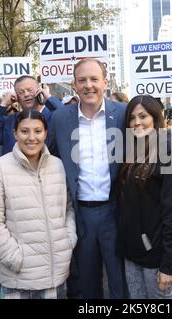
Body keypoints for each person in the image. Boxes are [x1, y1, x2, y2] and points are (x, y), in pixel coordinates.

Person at [49, 58, 127, 298]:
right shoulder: (60, 118)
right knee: (87, 283)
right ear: (74, 85)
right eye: (82, 80)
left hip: (115, 211)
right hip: (80, 215)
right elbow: (50, 156)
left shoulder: (124, 114)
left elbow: (149, 148)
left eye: (94, 79)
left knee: (119, 281)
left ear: (105, 83)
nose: (88, 85)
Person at [0, 109, 77, 299]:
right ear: (15, 133)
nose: (31, 137)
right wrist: (15, 259)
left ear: (46, 133)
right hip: (17, 279)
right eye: (24, 131)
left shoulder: (58, 166)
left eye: (38, 131)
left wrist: (67, 242)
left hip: (55, 276)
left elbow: (68, 209)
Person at [116, 95, 172, 299]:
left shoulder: (169, 154)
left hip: (156, 258)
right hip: (131, 254)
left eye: (143, 116)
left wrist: (168, 265)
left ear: (155, 118)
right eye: (132, 118)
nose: (136, 122)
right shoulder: (130, 151)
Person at [0, 75, 63, 155]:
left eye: (30, 90)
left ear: (39, 91)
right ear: (16, 97)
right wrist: (4, 104)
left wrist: (49, 98)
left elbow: (69, 120)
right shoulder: (10, 121)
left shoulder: (53, 116)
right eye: (21, 92)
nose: (26, 94)